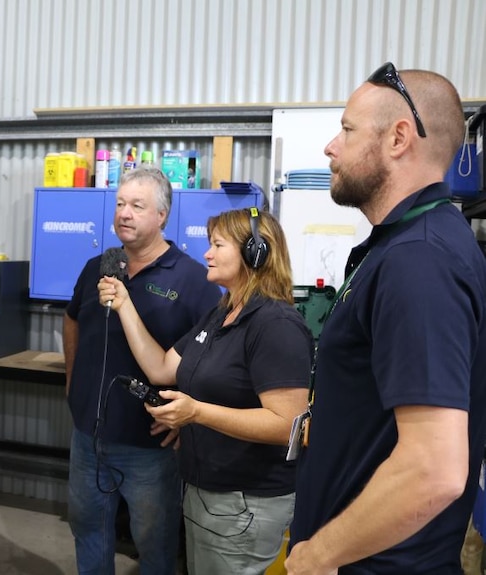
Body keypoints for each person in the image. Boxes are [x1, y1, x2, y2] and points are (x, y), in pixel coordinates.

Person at [285, 62, 486, 574]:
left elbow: (434, 468)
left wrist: (319, 555)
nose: (331, 146)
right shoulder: (404, 246)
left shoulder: (420, 260)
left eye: (347, 130)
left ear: (399, 138)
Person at [99, 207, 314, 574]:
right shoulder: (223, 313)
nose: (207, 254)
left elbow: (287, 425)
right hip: (207, 493)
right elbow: (162, 368)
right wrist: (123, 304)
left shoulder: (276, 324)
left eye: (217, 244)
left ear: (255, 253)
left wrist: (196, 412)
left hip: (245, 502)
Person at [63, 166, 220, 574]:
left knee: (155, 542)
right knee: (87, 528)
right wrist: (72, 383)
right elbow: (72, 319)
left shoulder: (193, 280)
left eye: (137, 205)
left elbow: (215, 356)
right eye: (119, 204)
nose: (124, 214)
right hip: (88, 438)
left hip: (150, 448)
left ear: (162, 216)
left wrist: (190, 417)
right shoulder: (98, 266)